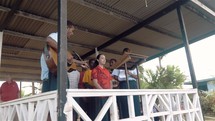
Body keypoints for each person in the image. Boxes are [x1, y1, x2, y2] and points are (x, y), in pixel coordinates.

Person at [40, 20, 75, 92]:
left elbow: (68, 58)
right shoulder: (57, 35)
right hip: (53, 72)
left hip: (55, 72)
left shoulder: (62, 42)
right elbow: (48, 40)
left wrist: (80, 63)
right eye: (72, 30)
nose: (72, 33)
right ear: (66, 28)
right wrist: (65, 52)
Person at [112, 48, 141, 119]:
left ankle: (137, 118)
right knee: (125, 103)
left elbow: (137, 76)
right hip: (123, 83)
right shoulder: (119, 63)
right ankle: (125, 118)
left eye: (129, 53)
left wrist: (129, 73)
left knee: (135, 103)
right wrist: (118, 79)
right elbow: (114, 75)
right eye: (126, 53)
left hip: (132, 83)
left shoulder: (134, 64)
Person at [92, 54, 112, 121]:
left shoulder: (107, 70)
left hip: (108, 95)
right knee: (101, 114)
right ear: (98, 60)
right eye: (102, 58)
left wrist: (110, 91)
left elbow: (110, 82)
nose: (104, 60)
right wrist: (103, 91)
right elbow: (95, 83)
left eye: (105, 58)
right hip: (100, 95)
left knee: (109, 114)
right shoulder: (95, 70)